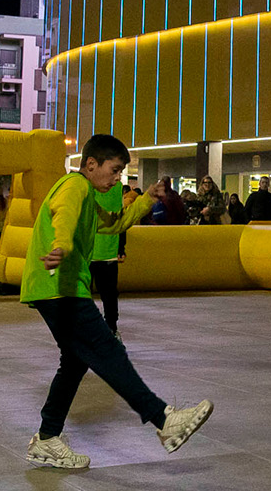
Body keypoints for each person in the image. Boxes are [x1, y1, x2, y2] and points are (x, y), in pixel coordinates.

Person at [22, 133, 213, 470]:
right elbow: (62, 215)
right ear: (91, 165)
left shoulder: (89, 194)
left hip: (57, 287)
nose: (117, 178)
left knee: (76, 362)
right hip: (60, 287)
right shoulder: (74, 186)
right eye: (114, 170)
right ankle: (163, 420)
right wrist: (63, 245)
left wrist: (144, 201)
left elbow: (113, 225)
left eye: (121, 172)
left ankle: (48, 438)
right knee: (108, 350)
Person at [88, 181, 133, 338]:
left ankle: (109, 328)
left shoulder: (86, 186)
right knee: (108, 295)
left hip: (99, 252)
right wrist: (121, 247)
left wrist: (121, 247)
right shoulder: (115, 187)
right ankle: (110, 329)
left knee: (100, 295)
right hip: (101, 252)